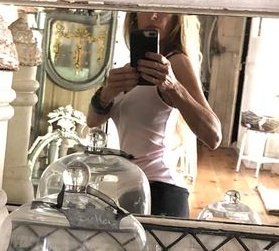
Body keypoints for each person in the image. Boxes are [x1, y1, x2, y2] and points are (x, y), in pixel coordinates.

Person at [87, 11, 221, 217]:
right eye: (147, 8)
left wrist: (173, 87)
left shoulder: (176, 63)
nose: (155, 15)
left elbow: (214, 136)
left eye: (164, 10)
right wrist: (106, 93)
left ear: (176, 20)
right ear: (134, 17)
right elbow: (92, 121)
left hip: (162, 190)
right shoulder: (126, 71)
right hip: (131, 189)